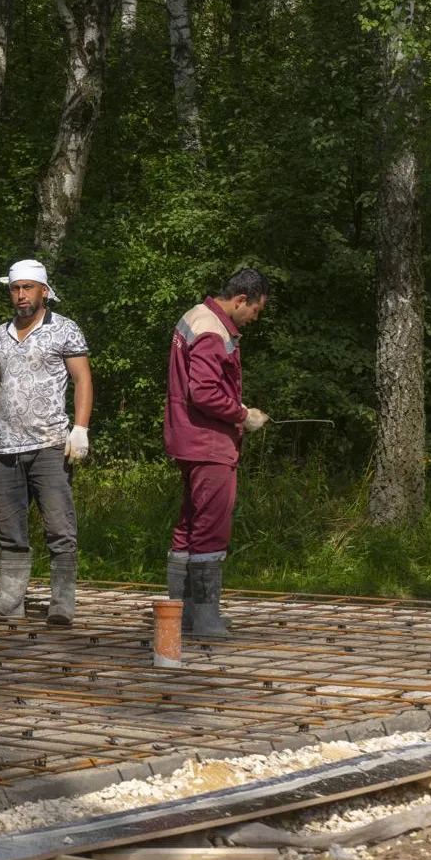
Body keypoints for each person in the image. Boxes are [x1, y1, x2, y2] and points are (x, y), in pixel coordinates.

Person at [0, 259, 94, 626]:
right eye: (15, 289)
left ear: (44, 291)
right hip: (6, 447)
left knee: (58, 525)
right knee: (9, 526)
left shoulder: (64, 330)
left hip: (50, 443)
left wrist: (80, 428)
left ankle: (62, 604)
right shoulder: (0, 334)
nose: (20, 296)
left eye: (27, 288)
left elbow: (82, 379)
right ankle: (10, 601)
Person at [164, 266, 270, 639]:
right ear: (241, 300)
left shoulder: (195, 316)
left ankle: (182, 615)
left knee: (189, 528)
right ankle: (205, 620)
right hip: (209, 443)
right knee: (210, 529)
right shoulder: (213, 329)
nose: (253, 319)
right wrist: (244, 415)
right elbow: (205, 393)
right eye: (255, 311)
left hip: (187, 438)